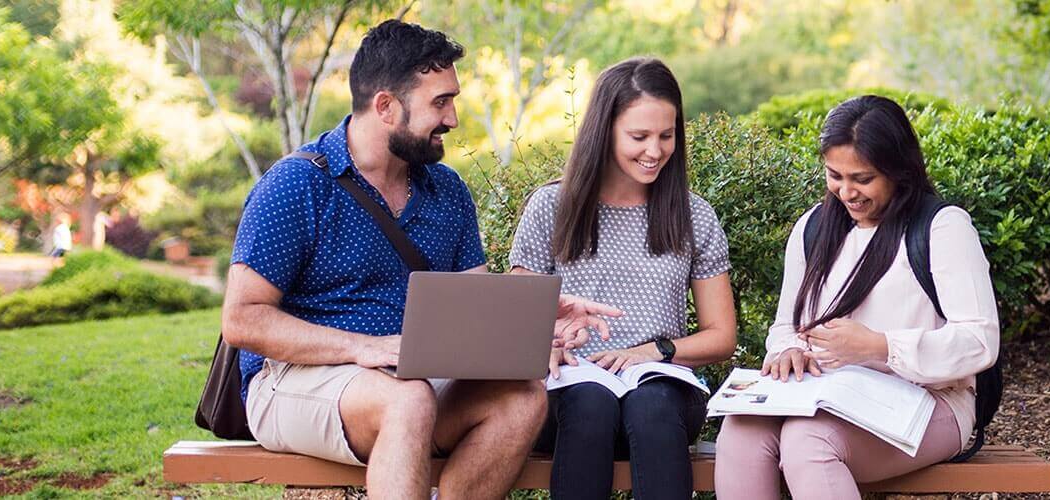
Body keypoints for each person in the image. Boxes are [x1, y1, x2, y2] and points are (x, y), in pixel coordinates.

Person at [220, 20, 618, 499]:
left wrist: (535, 325)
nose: (452, 119)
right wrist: (362, 348)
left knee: (520, 398)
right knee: (407, 401)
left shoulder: (446, 190)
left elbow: (476, 308)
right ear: (386, 106)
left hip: (412, 382)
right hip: (294, 382)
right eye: (441, 102)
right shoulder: (296, 185)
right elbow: (243, 320)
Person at [712, 95, 1000, 500]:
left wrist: (879, 346)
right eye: (835, 175)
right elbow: (786, 325)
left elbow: (979, 341)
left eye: (862, 179)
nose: (847, 192)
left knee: (809, 441)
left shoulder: (942, 227)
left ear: (899, 171)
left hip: (932, 401)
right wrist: (789, 350)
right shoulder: (814, 226)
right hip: (827, 392)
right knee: (741, 431)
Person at [507, 57, 737, 500]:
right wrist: (546, 343)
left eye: (666, 136)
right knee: (590, 402)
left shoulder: (693, 216)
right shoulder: (550, 208)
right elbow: (516, 325)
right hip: (569, 396)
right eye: (639, 136)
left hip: (662, 394)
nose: (655, 150)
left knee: (651, 404)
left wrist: (654, 351)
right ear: (604, 130)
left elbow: (721, 336)